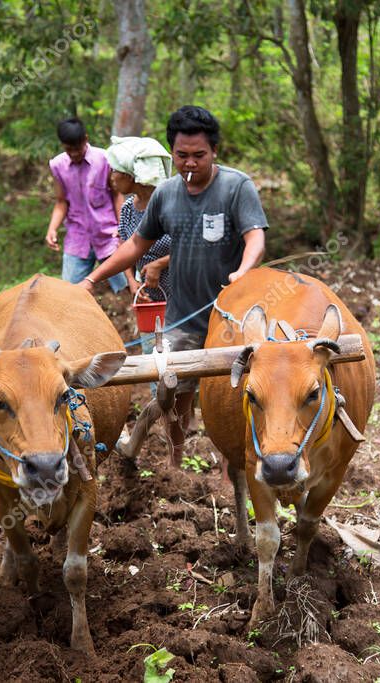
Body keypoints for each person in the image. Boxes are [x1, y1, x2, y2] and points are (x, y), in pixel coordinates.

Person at [80, 106, 268, 461]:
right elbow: (136, 245)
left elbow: (254, 235)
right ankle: (176, 464)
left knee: (237, 398)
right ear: (173, 154)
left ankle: (236, 469)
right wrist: (92, 278)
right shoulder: (167, 194)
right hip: (182, 316)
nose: (190, 163)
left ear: (214, 151)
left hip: (231, 317)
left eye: (199, 155)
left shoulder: (235, 187)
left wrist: (244, 270)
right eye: (182, 156)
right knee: (174, 396)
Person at [44, 117, 131, 292]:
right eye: (69, 150)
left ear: (86, 139)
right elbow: (61, 201)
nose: (74, 154)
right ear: (62, 145)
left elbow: (116, 195)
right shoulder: (57, 165)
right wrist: (52, 228)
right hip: (77, 238)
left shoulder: (104, 159)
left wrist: (123, 229)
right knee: (69, 292)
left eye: (78, 148)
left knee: (127, 287)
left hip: (108, 236)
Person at [105, 136, 174, 308]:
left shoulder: (172, 203)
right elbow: (124, 246)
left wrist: (160, 264)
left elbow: (192, 247)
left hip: (182, 297)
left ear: (131, 175)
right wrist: (131, 281)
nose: (111, 177)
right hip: (149, 299)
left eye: (115, 170)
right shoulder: (128, 208)